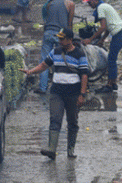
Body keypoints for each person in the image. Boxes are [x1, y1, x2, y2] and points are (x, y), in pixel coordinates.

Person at [21, 28, 88, 160]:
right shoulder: (55, 52)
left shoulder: (80, 54)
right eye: (59, 38)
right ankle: (52, 149)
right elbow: (44, 65)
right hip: (57, 92)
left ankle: (70, 150)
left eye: (62, 39)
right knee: (55, 119)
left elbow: (84, 75)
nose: (59, 41)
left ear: (69, 40)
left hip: (73, 93)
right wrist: (31, 71)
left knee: (72, 121)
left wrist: (82, 94)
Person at [83, 0, 122, 93]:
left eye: (89, 2)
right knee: (112, 58)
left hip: (119, 34)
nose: (89, 5)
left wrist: (90, 39)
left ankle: (109, 85)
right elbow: (107, 27)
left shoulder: (100, 8)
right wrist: (102, 39)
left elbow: (102, 27)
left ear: (94, 0)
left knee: (111, 60)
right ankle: (113, 83)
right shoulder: (104, 6)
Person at [36, 0, 75, 94]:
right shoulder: (70, 3)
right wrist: (70, 38)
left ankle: (43, 87)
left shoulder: (50, 4)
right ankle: (63, 87)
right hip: (60, 34)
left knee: (44, 60)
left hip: (48, 32)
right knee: (63, 60)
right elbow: (69, 23)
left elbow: (48, 18)